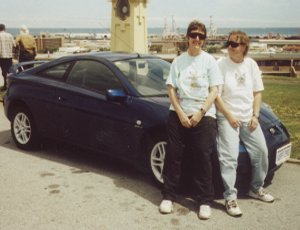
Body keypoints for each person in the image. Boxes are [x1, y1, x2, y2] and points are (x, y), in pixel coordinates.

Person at [159, 20, 223, 220]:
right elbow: (171, 88)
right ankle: (169, 196)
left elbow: (214, 90)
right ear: (187, 37)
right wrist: (179, 112)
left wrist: (199, 113)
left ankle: (204, 200)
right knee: (174, 154)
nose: (197, 39)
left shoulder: (210, 61)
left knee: (203, 156)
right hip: (179, 112)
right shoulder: (178, 61)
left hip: (203, 114)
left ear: (204, 40)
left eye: (201, 36)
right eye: (193, 35)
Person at [216, 31, 274, 217]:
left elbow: (257, 92)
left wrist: (255, 115)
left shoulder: (251, 65)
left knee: (261, 152)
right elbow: (216, 95)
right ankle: (230, 197)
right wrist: (229, 116)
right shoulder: (220, 65)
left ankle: (256, 188)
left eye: (235, 44)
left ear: (244, 48)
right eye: (229, 43)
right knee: (229, 157)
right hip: (227, 117)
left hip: (248, 117)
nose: (231, 47)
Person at [0, 24, 15, 91]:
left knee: (4, 71)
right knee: (9, 71)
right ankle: (11, 84)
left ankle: (5, 84)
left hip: (1, 56)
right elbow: (14, 45)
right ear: (4, 28)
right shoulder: (10, 35)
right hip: (9, 56)